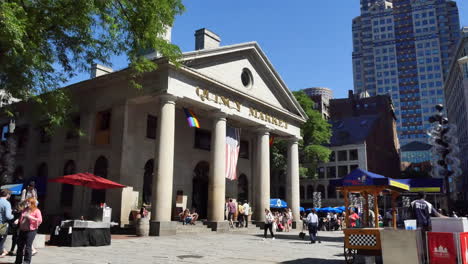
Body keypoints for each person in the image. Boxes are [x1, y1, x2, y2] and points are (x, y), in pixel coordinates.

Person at [15, 198, 42, 264]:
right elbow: (22, 217)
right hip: (22, 230)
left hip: (31, 231)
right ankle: (18, 261)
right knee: (20, 246)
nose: (27, 204)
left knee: (28, 247)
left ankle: (26, 262)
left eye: (28, 202)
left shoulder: (36, 211)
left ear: (32, 203)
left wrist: (30, 217)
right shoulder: (25, 209)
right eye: (27, 202)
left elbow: (40, 220)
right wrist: (18, 220)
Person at [0, 189, 13, 257]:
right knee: (2, 239)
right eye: (10, 194)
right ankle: (2, 252)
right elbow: (8, 216)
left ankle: (3, 251)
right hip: (2, 224)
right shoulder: (7, 203)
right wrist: (13, 215)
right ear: (7, 195)